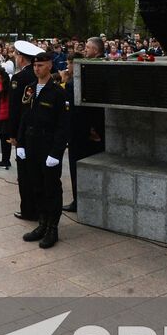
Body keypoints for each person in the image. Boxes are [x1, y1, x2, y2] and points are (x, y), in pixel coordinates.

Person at [17, 50, 70, 249]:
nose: (36, 68)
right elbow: (24, 118)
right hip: (31, 145)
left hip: (48, 147)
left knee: (51, 189)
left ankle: (52, 228)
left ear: (49, 66)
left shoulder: (57, 92)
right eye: (35, 65)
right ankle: (42, 223)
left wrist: (56, 153)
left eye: (40, 65)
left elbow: (63, 126)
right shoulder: (30, 89)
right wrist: (21, 144)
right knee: (36, 186)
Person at [64, 37, 106, 213]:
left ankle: (78, 201)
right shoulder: (103, 66)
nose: (85, 50)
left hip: (83, 130)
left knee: (77, 167)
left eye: (88, 48)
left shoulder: (86, 72)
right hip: (94, 128)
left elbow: (82, 107)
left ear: (95, 51)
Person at [4, 41, 41, 220]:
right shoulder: (38, 75)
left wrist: (12, 135)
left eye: (16, 55)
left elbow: (14, 110)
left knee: (24, 174)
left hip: (23, 132)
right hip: (38, 129)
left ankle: (28, 209)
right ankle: (38, 207)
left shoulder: (18, 79)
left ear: (21, 57)